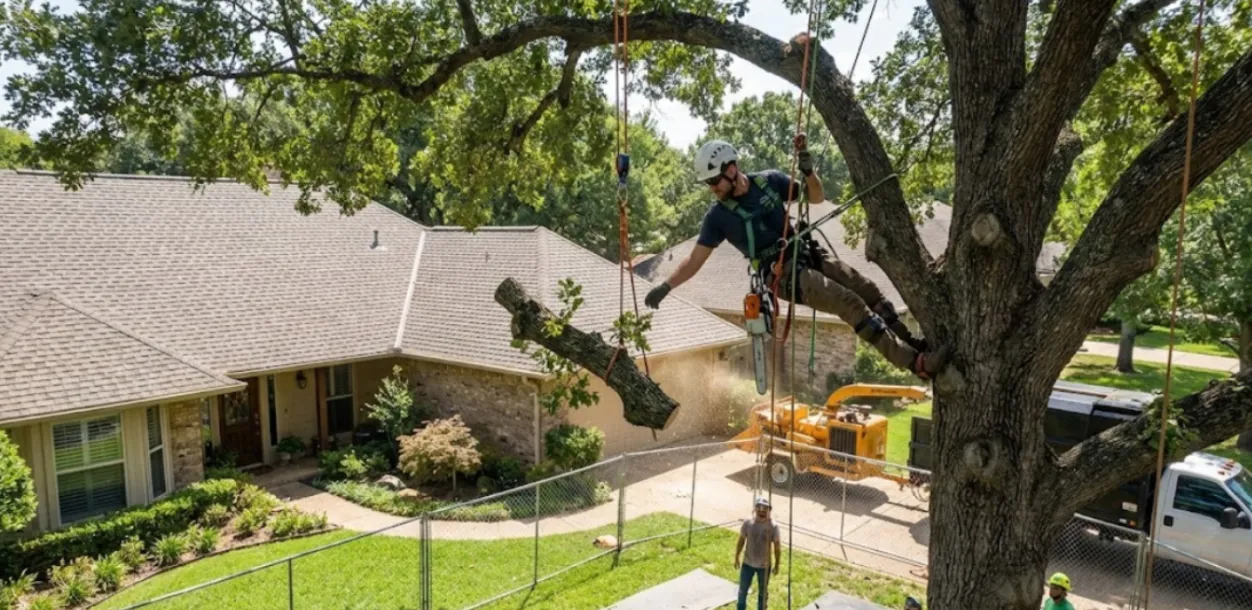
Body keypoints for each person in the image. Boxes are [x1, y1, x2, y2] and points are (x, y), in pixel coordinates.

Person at [643, 137, 950, 380]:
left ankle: (913, 343)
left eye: (713, 181)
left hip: (806, 250)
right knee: (848, 302)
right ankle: (916, 363)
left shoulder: (769, 181)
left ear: (731, 169)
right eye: (709, 184)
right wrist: (666, 287)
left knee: (867, 288)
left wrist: (808, 172)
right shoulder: (718, 217)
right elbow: (694, 261)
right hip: (783, 274)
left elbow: (815, 196)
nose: (712, 189)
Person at [735, 496, 781, 610]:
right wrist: (736, 557)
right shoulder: (748, 523)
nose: (762, 512)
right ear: (755, 510)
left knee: (763, 592)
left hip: (764, 566)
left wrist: (777, 564)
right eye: (759, 509)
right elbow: (741, 540)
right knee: (742, 590)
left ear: (769, 511)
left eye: (765, 510)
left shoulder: (773, 526)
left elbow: (777, 547)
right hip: (747, 563)